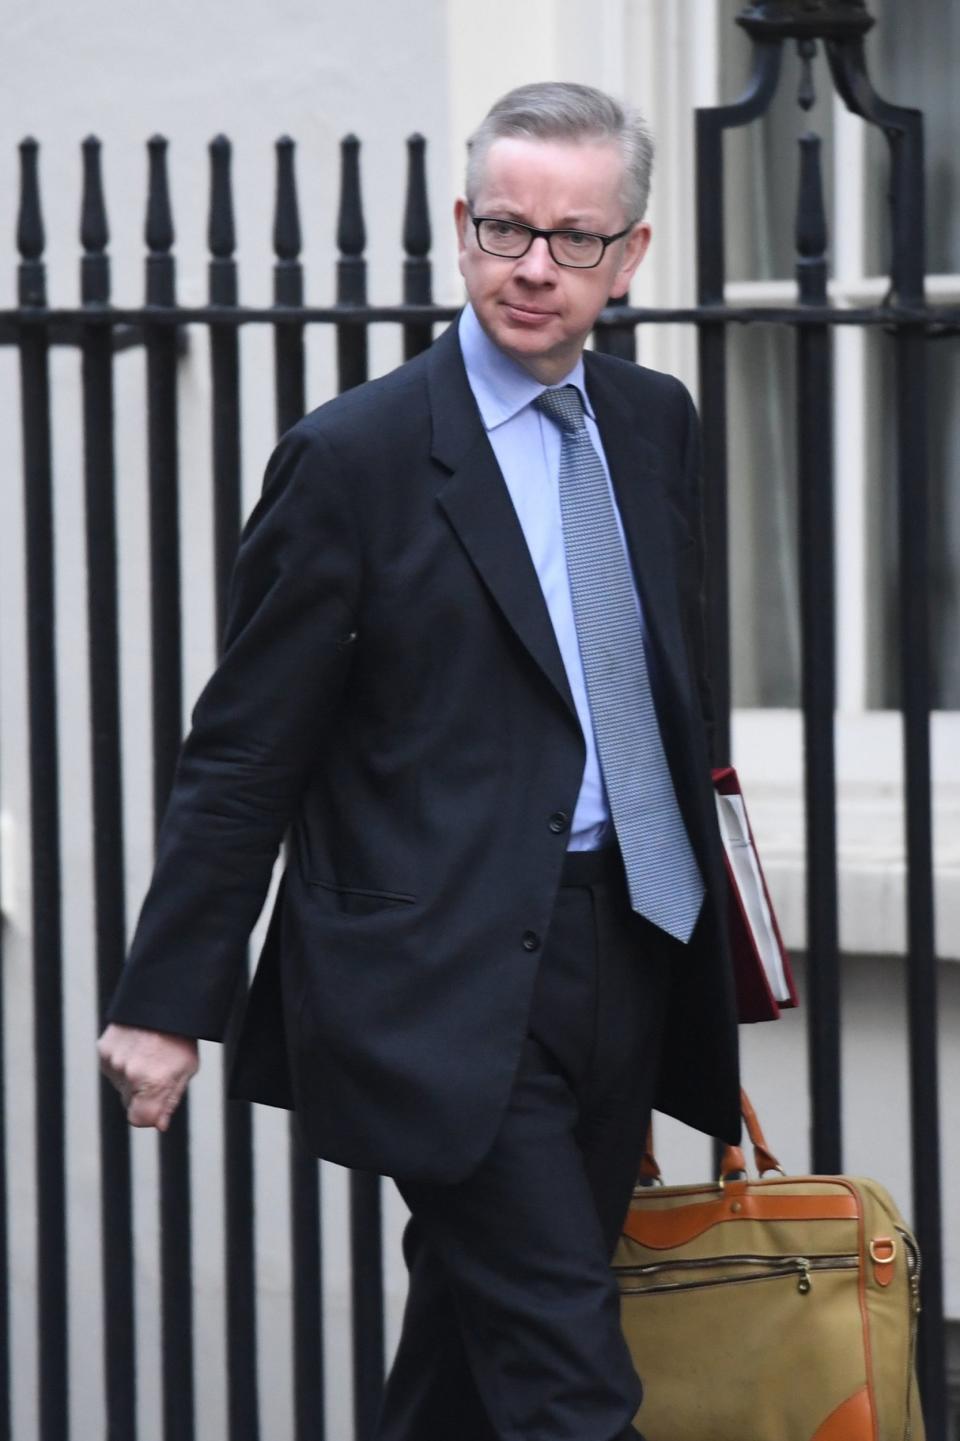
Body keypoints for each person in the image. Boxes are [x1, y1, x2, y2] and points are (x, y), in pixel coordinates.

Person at [99, 81, 740, 1441]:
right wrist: (168, 998)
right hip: (435, 982)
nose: (532, 266)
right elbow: (246, 748)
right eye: (506, 226)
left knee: (469, 1351)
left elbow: (665, 688)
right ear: (460, 227)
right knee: (574, 1377)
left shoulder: (655, 423)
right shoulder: (355, 459)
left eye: (574, 238)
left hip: (624, 943)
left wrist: (708, 912)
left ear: (631, 254)